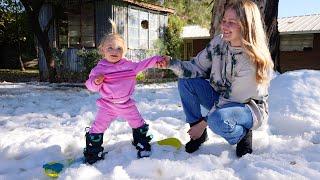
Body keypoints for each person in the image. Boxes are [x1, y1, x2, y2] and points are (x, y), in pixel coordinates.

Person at [157, 0, 274, 157]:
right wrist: (171, 63)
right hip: (221, 98)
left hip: (247, 107)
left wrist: (205, 122)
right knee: (186, 81)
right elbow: (197, 67)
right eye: (224, 20)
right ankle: (199, 133)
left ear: (246, 25)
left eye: (231, 22)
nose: (224, 26)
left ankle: (242, 134)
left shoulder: (251, 61)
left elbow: (232, 98)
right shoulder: (219, 42)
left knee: (217, 119)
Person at [84, 20, 164, 164]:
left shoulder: (129, 66)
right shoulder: (99, 69)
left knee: (137, 122)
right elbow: (89, 85)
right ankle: (93, 149)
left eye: (119, 49)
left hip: (126, 104)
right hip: (107, 105)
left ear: (124, 51)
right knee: (98, 126)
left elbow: (144, 64)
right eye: (110, 48)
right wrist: (96, 82)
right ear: (102, 50)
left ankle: (141, 142)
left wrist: (157, 59)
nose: (114, 51)